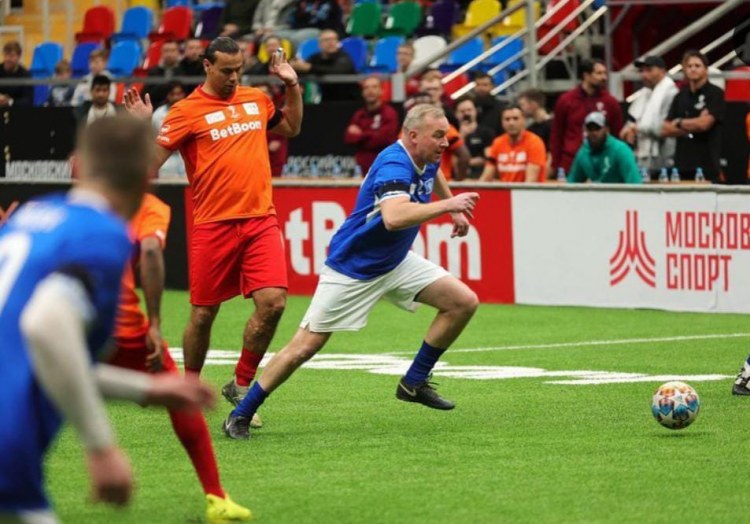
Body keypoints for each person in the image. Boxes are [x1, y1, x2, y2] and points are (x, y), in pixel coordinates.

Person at [0, 115, 215, 522]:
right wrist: (100, 446)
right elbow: (46, 327)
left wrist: (147, 389)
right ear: (147, 178)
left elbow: (45, 361)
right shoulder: (101, 234)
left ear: (77, 164)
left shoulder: (32, 216)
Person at [221, 105, 480, 440]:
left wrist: (452, 209)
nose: (445, 142)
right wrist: (448, 206)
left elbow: (434, 171)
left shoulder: (425, 153)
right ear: (413, 136)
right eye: (438, 135)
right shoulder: (394, 164)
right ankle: (240, 414)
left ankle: (414, 382)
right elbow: (394, 218)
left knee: (462, 302)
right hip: (354, 268)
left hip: (395, 261)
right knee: (305, 346)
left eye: (446, 135)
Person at [124, 37, 302, 426]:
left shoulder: (256, 99)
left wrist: (291, 85)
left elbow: (291, 126)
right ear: (207, 66)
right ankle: (188, 388)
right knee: (204, 314)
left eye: (239, 70)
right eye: (226, 71)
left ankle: (241, 384)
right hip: (212, 225)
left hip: (260, 219)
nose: (234, 78)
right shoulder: (185, 111)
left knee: (273, 303)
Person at [108, 191, 251, 522]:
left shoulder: (49, 211)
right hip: (117, 326)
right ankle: (216, 498)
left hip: (48, 324)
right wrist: (155, 323)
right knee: (180, 399)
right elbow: (150, 249)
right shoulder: (145, 204)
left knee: (40, 401)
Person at [550, 59, 623, 174]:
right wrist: (556, 164)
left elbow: (617, 134)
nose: (604, 77)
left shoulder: (610, 102)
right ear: (586, 75)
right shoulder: (566, 100)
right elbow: (557, 134)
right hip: (571, 163)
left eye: (605, 73)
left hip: (602, 163)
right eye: (599, 73)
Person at [662, 50, 725, 182]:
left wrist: (679, 122)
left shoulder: (715, 93)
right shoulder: (680, 96)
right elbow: (665, 128)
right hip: (682, 164)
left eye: (697, 65)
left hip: (707, 164)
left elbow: (704, 124)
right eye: (689, 66)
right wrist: (694, 124)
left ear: (706, 69)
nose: (693, 69)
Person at [620, 55, 678, 176]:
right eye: (642, 71)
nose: (644, 75)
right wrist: (628, 131)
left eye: (649, 70)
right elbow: (631, 121)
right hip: (643, 159)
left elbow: (663, 127)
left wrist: (636, 128)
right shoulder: (645, 93)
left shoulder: (671, 93)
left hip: (664, 160)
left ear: (662, 71)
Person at [344, 76, 400, 175]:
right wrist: (372, 134)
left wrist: (361, 135)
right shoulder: (359, 115)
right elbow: (349, 138)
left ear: (381, 91)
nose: (370, 91)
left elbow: (384, 139)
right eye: (366, 87)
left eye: (374, 87)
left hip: (385, 167)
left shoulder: (389, 113)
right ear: (362, 92)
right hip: (363, 169)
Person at [568, 111, 641, 184]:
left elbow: (635, 183)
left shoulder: (621, 150)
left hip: (617, 191)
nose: (594, 133)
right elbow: (571, 184)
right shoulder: (584, 152)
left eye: (597, 128)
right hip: (596, 191)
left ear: (607, 130)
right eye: (590, 129)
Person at [480, 105, 546, 183]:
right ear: (502, 122)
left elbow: (531, 181)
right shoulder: (497, 142)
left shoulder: (535, 142)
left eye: (515, 118)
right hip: (505, 189)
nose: (511, 123)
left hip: (527, 190)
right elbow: (486, 177)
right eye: (507, 119)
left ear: (524, 120)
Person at [291, 29, 358, 101]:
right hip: (326, 99)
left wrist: (310, 68)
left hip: (348, 99)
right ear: (320, 44)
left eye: (334, 39)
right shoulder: (316, 57)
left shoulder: (344, 56)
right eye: (326, 40)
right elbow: (303, 67)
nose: (330, 43)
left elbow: (338, 70)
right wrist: (296, 66)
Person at [152, 81, 187, 177]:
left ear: (184, 94)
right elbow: (153, 140)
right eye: (172, 94)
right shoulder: (158, 114)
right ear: (167, 96)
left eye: (179, 94)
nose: (176, 97)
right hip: (167, 161)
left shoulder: (192, 111)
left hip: (185, 159)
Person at [454, 96, 495, 179]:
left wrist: (465, 162)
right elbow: (452, 161)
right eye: (462, 111)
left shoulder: (487, 133)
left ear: (475, 111)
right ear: (456, 114)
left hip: (481, 178)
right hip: (458, 178)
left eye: (469, 110)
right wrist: (461, 136)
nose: (466, 114)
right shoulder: (452, 134)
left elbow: (489, 159)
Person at [517, 88, 552, 180]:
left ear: (533, 104)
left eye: (523, 105)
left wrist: (543, 178)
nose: (521, 109)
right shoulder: (530, 129)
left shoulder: (553, 125)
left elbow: (552, 155)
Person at [144, 40, 185, 109]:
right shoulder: (153, 72)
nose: (169, 54)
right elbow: (147, 94)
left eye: (172, 50)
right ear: (162, 53)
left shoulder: (184, 71)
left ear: (178, 52)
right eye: (166, 51)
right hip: (156, 109)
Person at [0, 41, 32, 107]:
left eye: (11, 56)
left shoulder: (25, 75)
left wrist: (10, 101)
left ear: (19, 56)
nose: (7, 59)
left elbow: (28, 101)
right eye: (5, 55)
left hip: (17, 111)